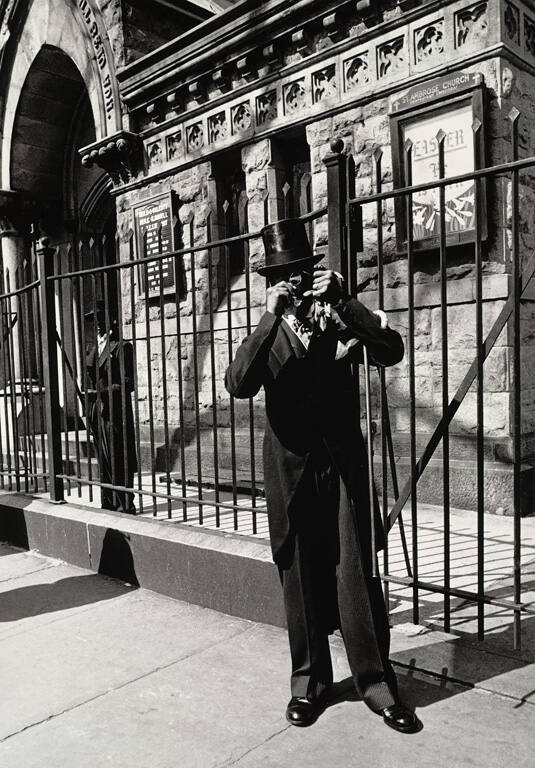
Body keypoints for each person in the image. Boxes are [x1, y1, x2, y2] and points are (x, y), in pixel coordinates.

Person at [225, 218, 420, 734]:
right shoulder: (267, 333)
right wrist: (271, 317)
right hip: (290, 473)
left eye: (300, 272)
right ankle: (308, 683)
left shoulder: (338, 317)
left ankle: (377, 684)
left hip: (341, 467)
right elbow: (238, 383)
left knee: (355, 572)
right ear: (271, 282)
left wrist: (348, 303)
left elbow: (391, 349)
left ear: (314, 272)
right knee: (301, 574)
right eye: (282, 275)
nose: (293, 282)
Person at [85, 300, 137, 515]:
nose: (97, 323)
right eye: (94, 319)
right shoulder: (93, 348)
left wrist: (102, 393)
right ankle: (108, 500)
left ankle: (125, 502)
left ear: (111, 320)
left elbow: (127, 383)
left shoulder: (122, 346)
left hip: (116, 412)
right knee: (103, 458)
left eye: (101, 318)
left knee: (119, 456)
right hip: (98, 411)